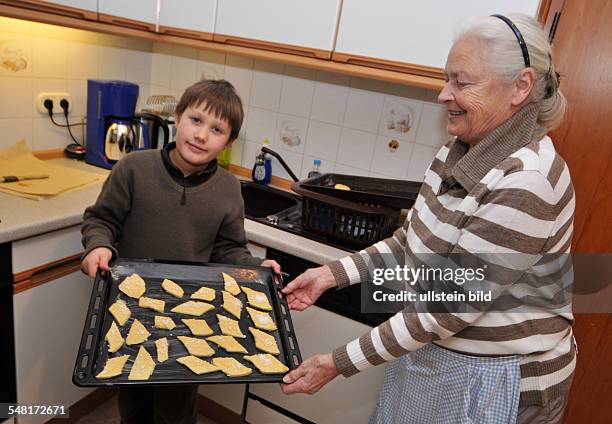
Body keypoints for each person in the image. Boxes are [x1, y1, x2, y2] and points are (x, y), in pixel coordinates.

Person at [281, 13, 575, 424]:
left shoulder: (528, 181)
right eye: (446, 79)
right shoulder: (458, 150)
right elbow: (409, 243)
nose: (443, 94)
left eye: (462, 82)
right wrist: (330, 275)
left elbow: (445, 308)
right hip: (438, 351)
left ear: (520, 87)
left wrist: (337, 362)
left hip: (498, 379)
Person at [81, 79, 280, 424]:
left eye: (217, 129)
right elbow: (101, 220)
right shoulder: (133, 169)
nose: (202, 135)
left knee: (177, 409)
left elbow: (229, 248)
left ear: (229, 142)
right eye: (196, 120)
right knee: (134, 404)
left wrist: (257, 268)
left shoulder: (229, 189)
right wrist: (98, 245)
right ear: (177, 117)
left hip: (189, 319)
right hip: (131, 311)